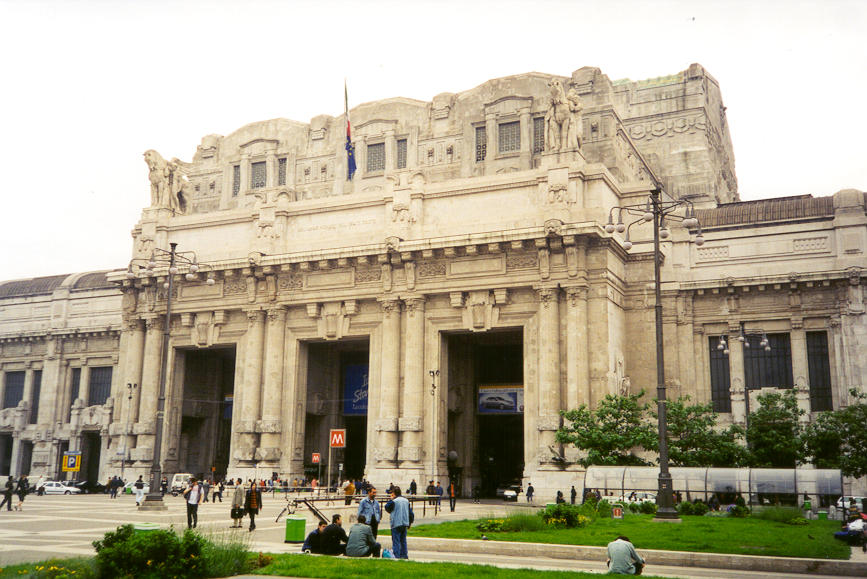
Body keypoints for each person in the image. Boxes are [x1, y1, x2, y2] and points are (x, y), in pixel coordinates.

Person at [385, 485, 413, 559]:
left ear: (394, 493)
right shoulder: (406, 501)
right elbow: (411, 513)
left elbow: (387, 508)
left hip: (396, 523)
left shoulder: (394, 501)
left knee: (396, 541)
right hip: (404, 523)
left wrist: (391, 499)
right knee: (403, 541)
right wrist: (410, 523)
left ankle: (396, 556)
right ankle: (404, 555)